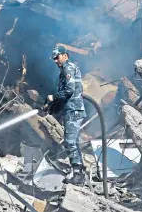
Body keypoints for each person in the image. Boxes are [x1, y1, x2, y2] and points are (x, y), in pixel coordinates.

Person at [47, 46, 86, 186]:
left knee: (69, 142)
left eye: (57, 57)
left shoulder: (67, 68)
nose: (55, 61)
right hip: (72, 109)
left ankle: (78, 174)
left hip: (73, 110)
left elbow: (69, 90)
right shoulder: (69, 68)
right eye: (54, 58)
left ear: (65, 55)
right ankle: (80, 170)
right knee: (74, 142)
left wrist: (54, 97)